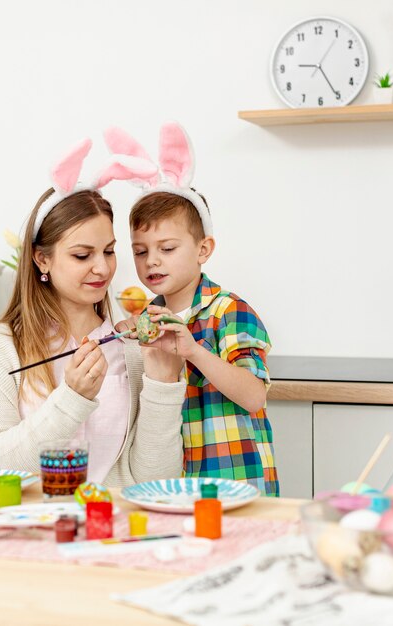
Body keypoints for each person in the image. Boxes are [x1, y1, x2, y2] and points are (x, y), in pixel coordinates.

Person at [0, 139, 186, 486]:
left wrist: (164, 381)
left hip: (112, 529)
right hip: (28, 528)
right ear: (42, 258)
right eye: (82, 255)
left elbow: (153, 481)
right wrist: (72, 397)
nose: (102, 268)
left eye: (108, 251)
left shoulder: (131, 348)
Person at [107, 123, 279, 496]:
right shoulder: (149, 318)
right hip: (176, 488)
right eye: (140, 251)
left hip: (234, 484)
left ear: (203, 250)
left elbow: (255, 395)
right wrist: (131, 341)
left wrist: (193, 351)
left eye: (167, 249)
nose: (152, 261)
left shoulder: (229, 311)